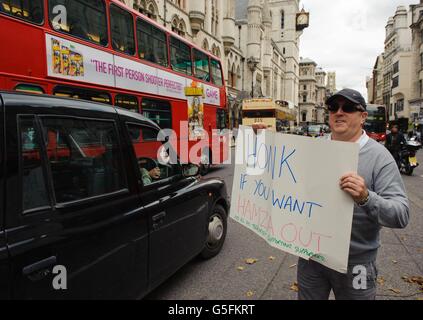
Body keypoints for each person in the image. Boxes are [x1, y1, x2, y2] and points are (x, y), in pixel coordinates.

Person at [296, 88, 410, 300]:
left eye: (347, 108)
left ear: (363, 116)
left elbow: (401, 214)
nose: (339, 112)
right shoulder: (313, 148)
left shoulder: (380, 157)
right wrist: (259, 140)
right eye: (333, 108)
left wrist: (366, 197)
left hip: (355, 262)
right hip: (311, 257)